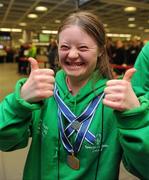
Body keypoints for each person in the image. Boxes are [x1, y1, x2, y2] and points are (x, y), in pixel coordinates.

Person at [0, 11, 149, 180]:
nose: (71, 54)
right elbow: (5, 142)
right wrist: (18, 103)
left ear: (101, 50)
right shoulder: (41, 91)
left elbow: (144, 168)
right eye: (65, 47)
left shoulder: (118, 99)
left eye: (83, 47)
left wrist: (136, 120)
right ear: (57, 47)